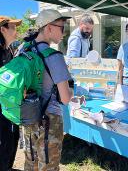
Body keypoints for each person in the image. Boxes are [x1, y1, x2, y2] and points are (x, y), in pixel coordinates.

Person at [23, 9, 73, 170]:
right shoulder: (54, 56)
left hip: (29, 117)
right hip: (50, 121)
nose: (64, 33)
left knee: (31, 163)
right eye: (62, 28)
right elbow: (65, 99)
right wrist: (71, 90)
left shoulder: (24, 50)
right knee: (49, 166)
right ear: (48, 27)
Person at [0, 16, 22, 171]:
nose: (16, 31)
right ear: (2, 29)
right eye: (13, 27)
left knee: (12, 138)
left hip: (10, 107)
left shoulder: (9, 50)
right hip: (2, 109)